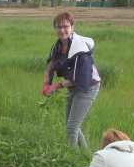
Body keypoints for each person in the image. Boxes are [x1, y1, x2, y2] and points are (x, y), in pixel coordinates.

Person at [42, 11, 101, 148]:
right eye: (58, 27)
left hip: (88, 87)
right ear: (55, 28)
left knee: (71, 128)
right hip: (71, 86)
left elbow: (79, 78)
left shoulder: (80, 51)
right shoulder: (57, 47)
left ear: (72, 27)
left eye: (65, 27)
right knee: (71, 124)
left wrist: (57, 86)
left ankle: (71, 160)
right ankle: (85, 154)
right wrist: (46, 84)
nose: (62, 30)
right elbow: (48, 69)